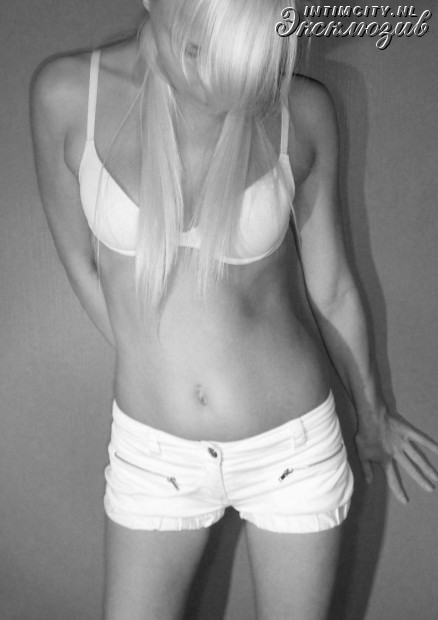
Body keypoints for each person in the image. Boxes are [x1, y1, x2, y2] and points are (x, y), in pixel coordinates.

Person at [30, 0, 438, 618]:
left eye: (245, 60)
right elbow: (82, 264)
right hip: (154, 459)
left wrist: (372, 415)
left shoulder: (301, 109)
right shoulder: (66, 96)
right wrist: (166, 370)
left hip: (292, 452)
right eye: (197, 50)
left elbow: (332, 288)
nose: (214, 85)